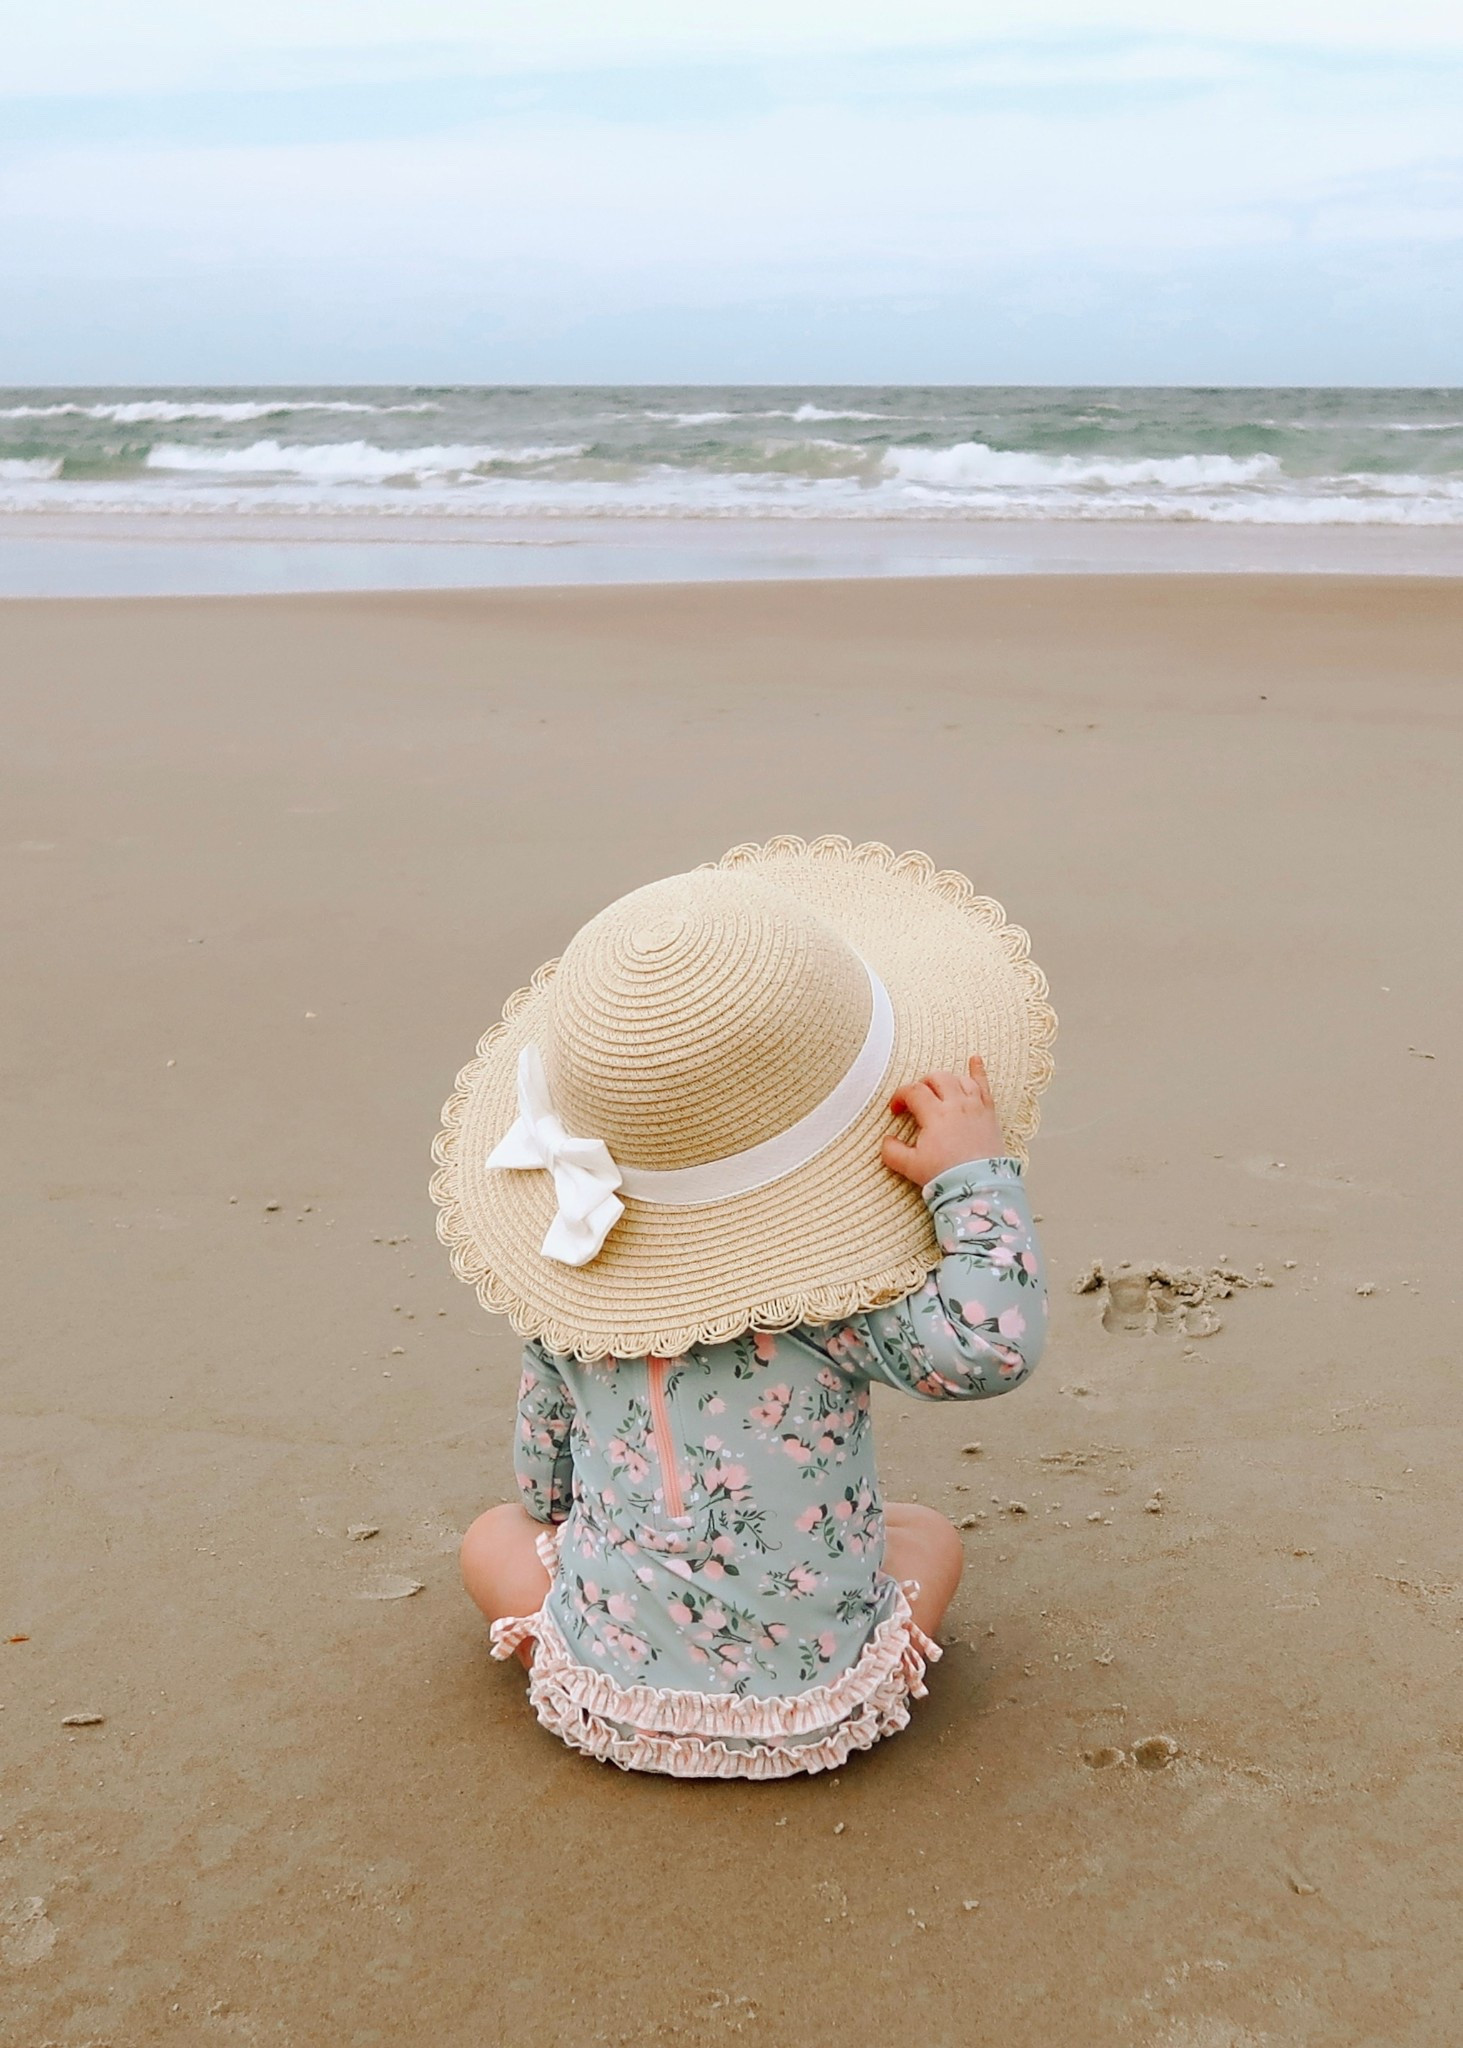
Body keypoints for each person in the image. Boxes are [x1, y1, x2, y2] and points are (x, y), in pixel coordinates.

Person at [432, 835, 1055, 1778]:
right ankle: (807, 1676)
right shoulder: (830, 1302)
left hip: (610, 1705)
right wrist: (970, 1181)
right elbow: (987, 1346)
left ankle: (623, 1669)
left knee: (494, 1537)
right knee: (925, 1533)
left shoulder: (570, 1299)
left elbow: (542, 1493)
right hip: (822, 1703)